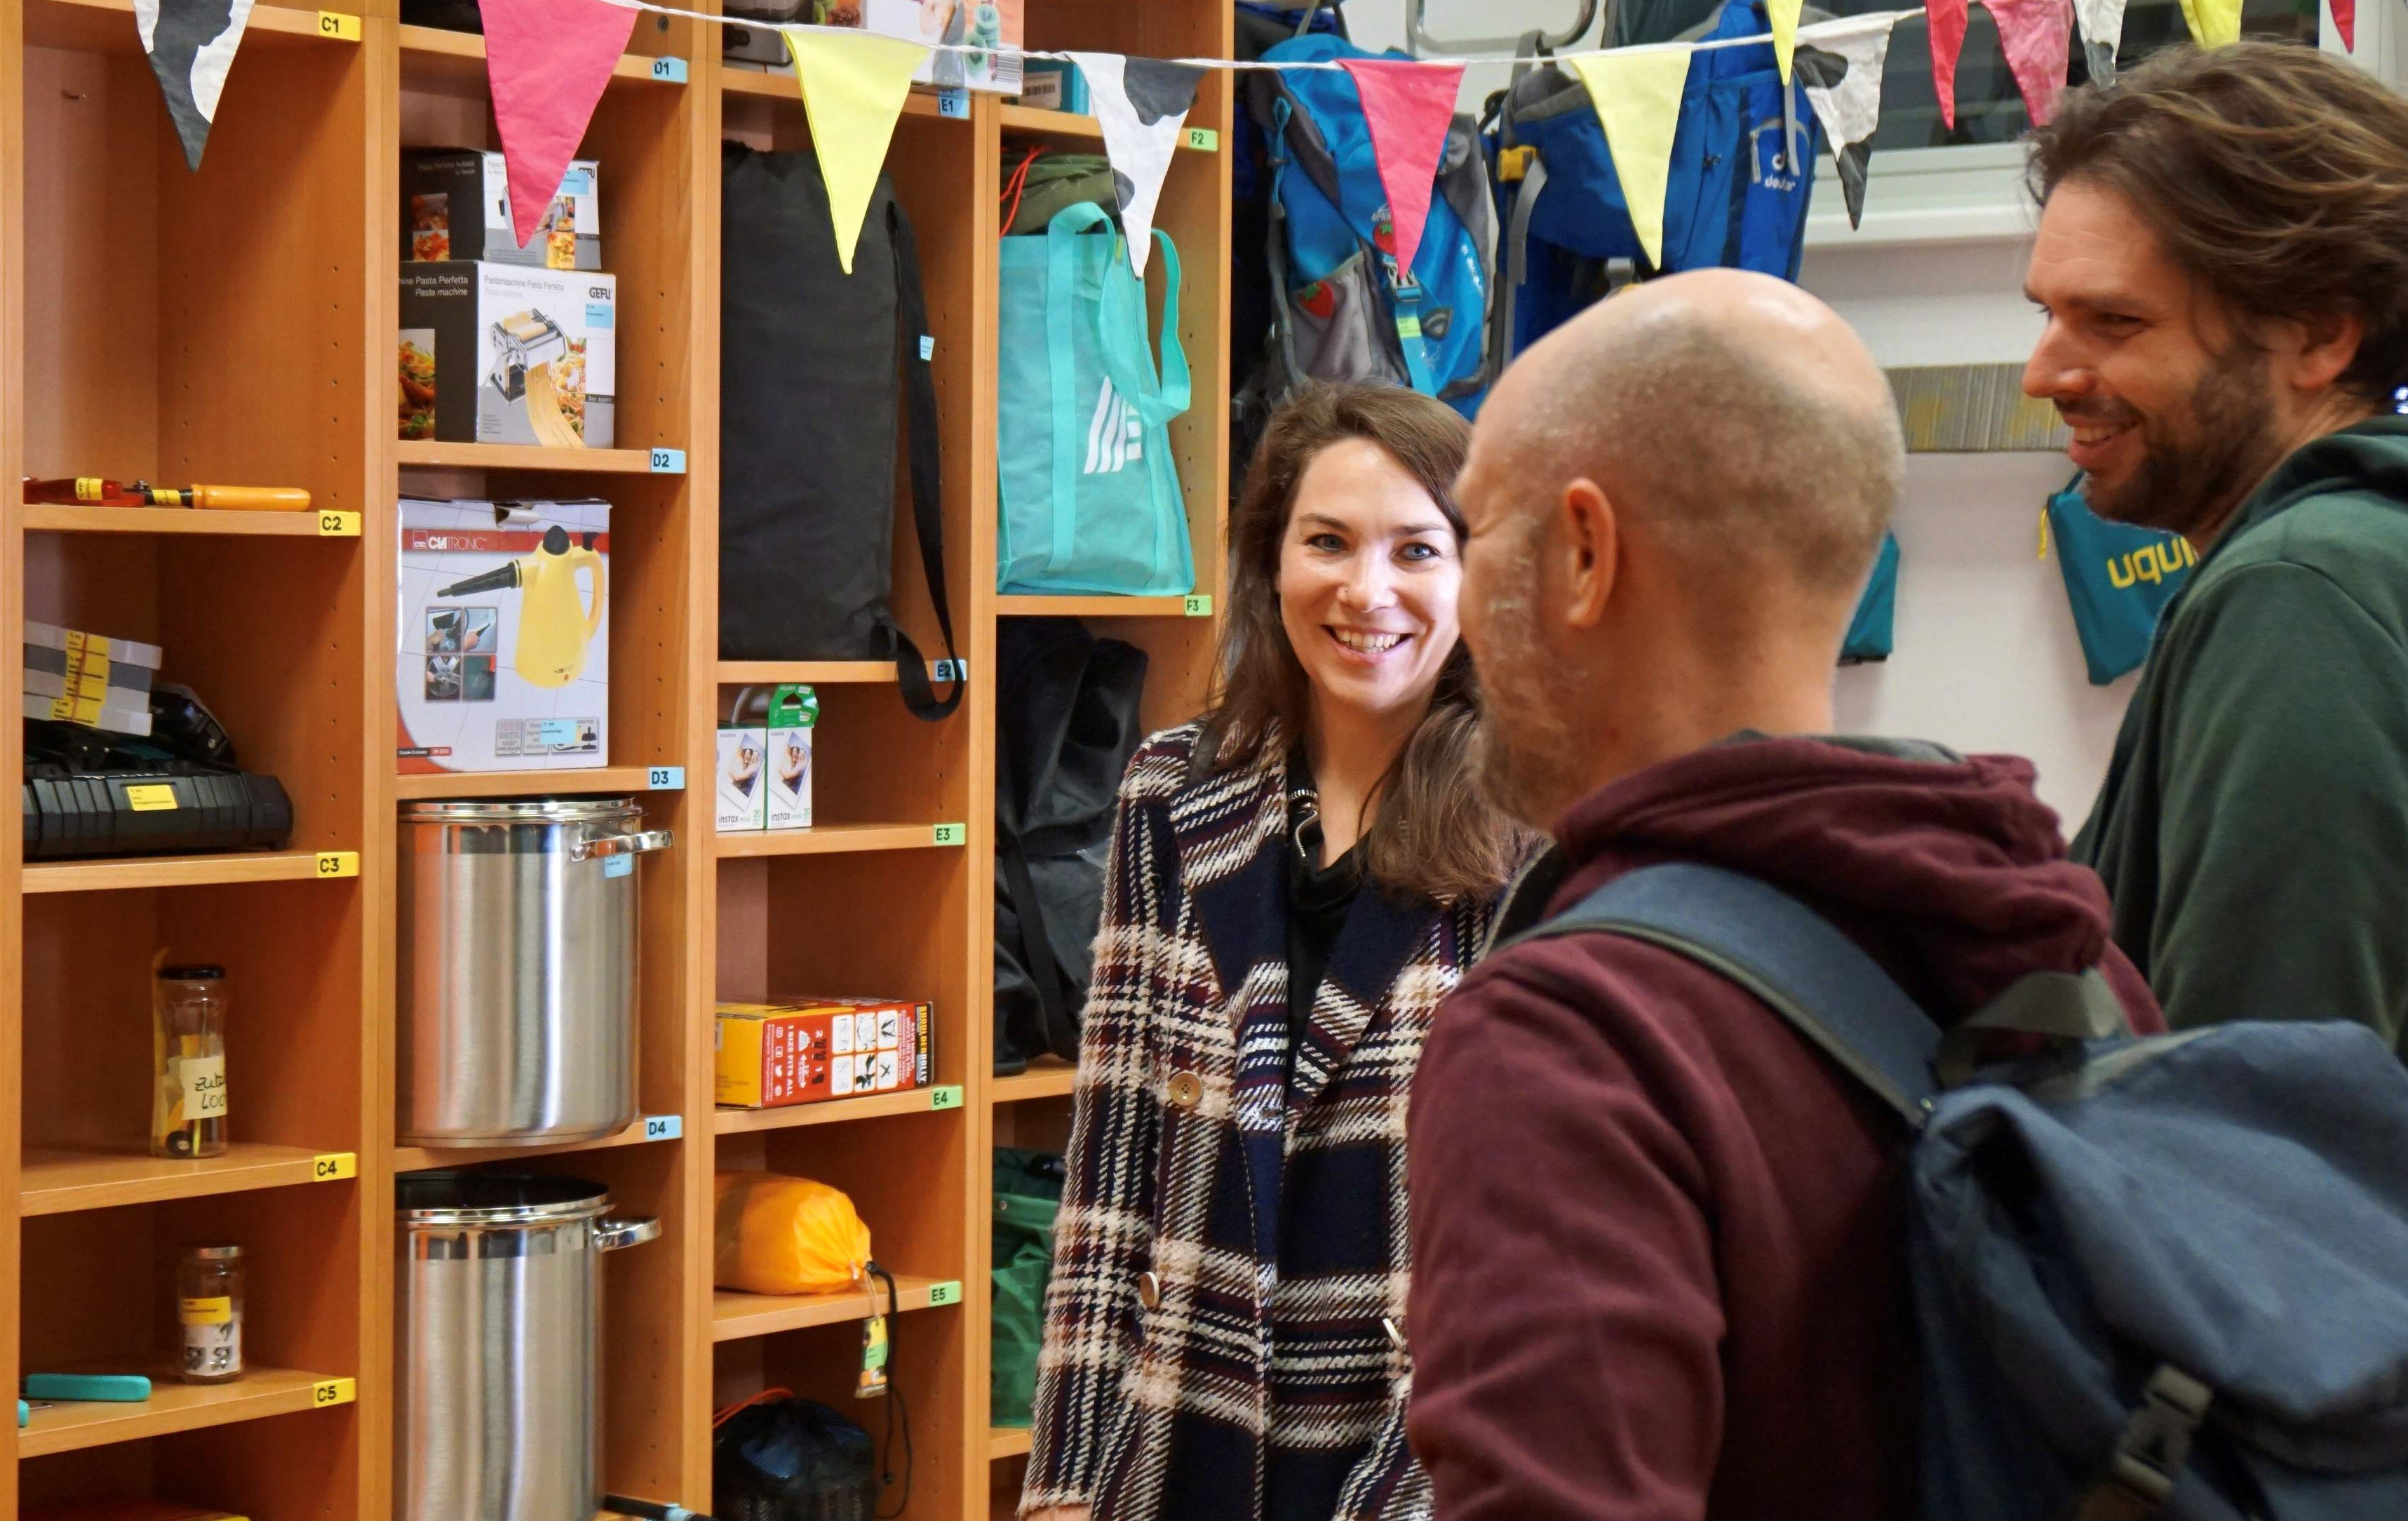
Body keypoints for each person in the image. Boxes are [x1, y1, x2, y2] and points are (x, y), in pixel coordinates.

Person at [1403, 269, 2165, 1520]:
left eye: (1475, 534)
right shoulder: (2068, 963)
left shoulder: (1577, 1037)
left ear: (1584, 554)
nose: (1456, 612)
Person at [1022, 384, 1528, 1521]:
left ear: (1477, 573)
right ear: (1270, 560)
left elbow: (1535, 1247)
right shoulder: (1173, 788)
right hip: (1179, 1439)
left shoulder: (1536, 824)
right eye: (1327, 543)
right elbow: (1112, 1162)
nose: (1366, 591)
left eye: (1416, 550)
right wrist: (1064, 1484)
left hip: (1409, 1456)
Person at [2022, 43, 2408, 1052]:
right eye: (2047, 314)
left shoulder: (2301, 594)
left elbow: (2258, 1108)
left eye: (2114, 320)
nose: (2043, 373)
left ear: (2318, 335)